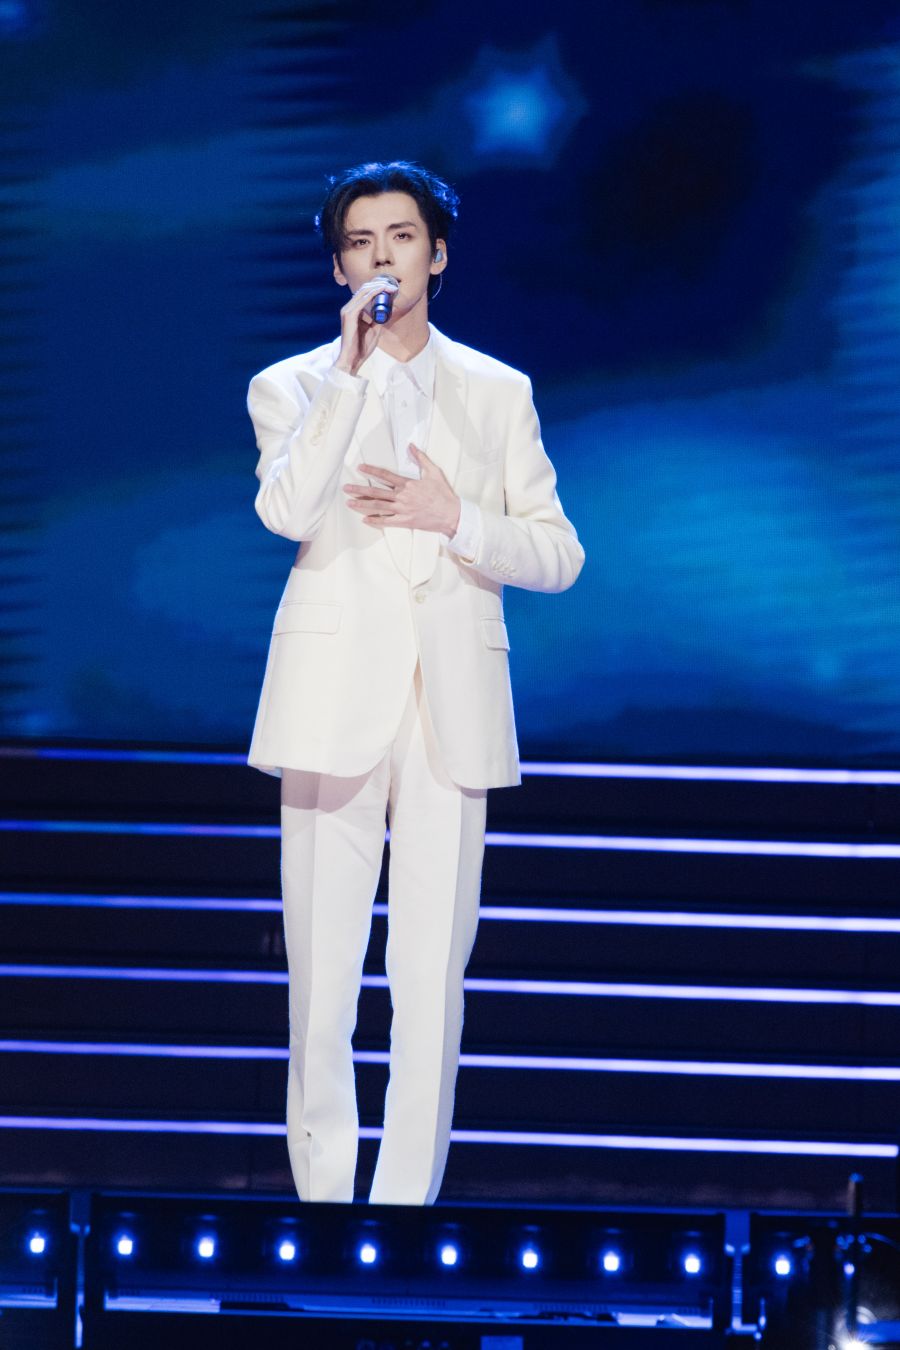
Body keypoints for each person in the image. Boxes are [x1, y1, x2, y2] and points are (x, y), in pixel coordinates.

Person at [246, 160, 584, 1206]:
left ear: (437, 254)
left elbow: (559, 554)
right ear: (340, 268)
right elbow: (288, 514)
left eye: (400, 237)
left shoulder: (498, 391)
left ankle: (402, 1211)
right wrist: (348, 381)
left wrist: (458, 519)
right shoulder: (291, 386)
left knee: (431, 976)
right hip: (329, 702)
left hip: (451, 708)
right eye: (360, 243)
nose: (381, 257)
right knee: (323, 978)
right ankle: (321, 1204)